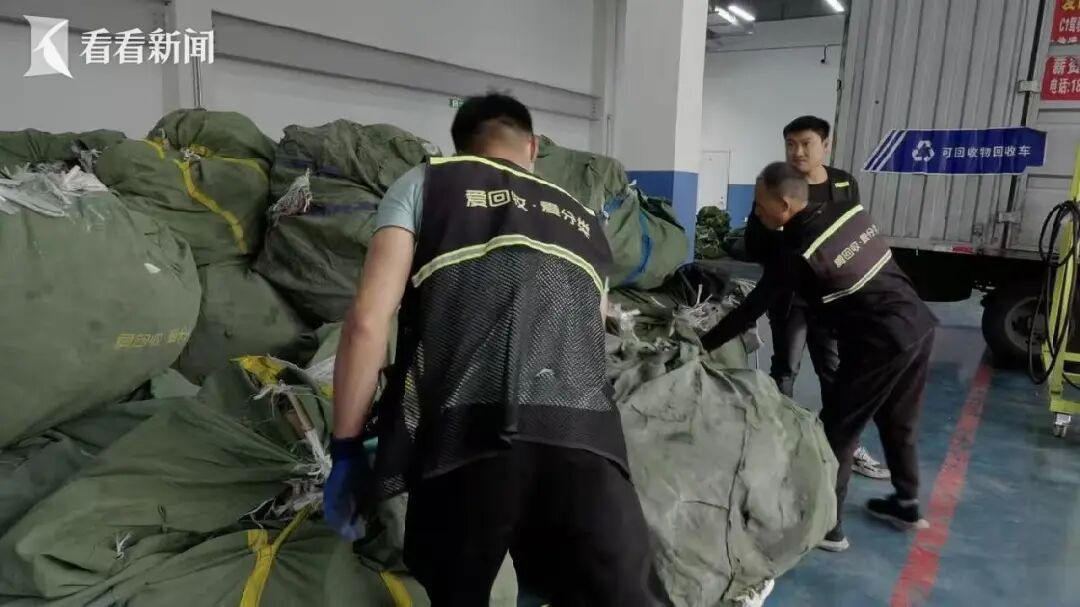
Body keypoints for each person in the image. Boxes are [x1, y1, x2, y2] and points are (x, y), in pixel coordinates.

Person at [322, 93, 656, 606]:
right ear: (533, 147)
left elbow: (368, 323)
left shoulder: (428, 184)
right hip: (584, 438)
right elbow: (590, 332)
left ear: (461, 148)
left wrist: (346, 448)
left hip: (466, 439)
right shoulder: (582, 217)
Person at [702, 162, 937, 552]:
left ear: (784, 204)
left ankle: (829, 528)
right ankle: (908, 504)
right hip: (917, 323)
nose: (756, 212)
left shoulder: (798, 251)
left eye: (759, 205)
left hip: (878, 342)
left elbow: (754, 307)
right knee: (899, 421)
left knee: (837, 433)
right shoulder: (847, 211)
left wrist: (703, 344)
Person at [744, 115, 890, 481]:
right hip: (790, 297)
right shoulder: (775, 185)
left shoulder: (844, 184)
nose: (797, 152)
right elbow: (754, 244)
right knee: (785, 369)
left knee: (835, 371)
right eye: (790, 144)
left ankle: (845, 446)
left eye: (805, 143)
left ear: (825, 145)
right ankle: (777, 444)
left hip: (832, 299)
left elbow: (854, 237)